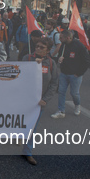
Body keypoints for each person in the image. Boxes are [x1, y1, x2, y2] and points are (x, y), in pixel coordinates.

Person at [21, 37, 59, 165]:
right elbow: (19, 75)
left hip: (39, 103)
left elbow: (54, 84)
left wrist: (45, 100)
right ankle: (16, 137)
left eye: (42, 47)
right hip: (24, 99)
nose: (38, 49)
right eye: (37, 46)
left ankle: (27, 152)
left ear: (48, 50)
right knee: (19, 122)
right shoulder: (27, 58)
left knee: (33, 127)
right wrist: (33, 66)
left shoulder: (52, 63)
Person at [51, 29, 90, 119]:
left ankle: (77, 105)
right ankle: (61, 110)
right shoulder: (63, 45)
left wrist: (79, 73)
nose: (59, 39)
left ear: (68, 38)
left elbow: (86, 61)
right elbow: (61, 55)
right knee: (61, 92)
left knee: (74, 93)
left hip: (75, 74)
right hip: (64, 73)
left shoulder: (79, 46)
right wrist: (60, 59)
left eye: (61, 37)